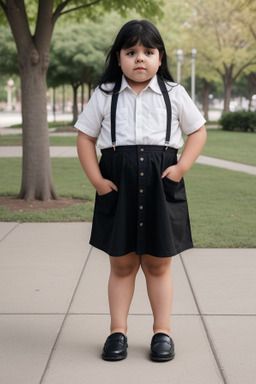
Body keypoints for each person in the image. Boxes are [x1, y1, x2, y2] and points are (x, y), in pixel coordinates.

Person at [75, 19, 207, 362]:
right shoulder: (105, 95)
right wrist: (97, 182)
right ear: (118, 58)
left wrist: (180, 169)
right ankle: (117, 331)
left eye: (148, 52)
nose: (139, 59)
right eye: (131, 52)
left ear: (159, 58)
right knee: (121, 263)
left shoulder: (174, 93)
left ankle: (161, 332)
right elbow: (86, 138)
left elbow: (198, 132)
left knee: (159, 263)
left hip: (161, 183)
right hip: (118, 185)